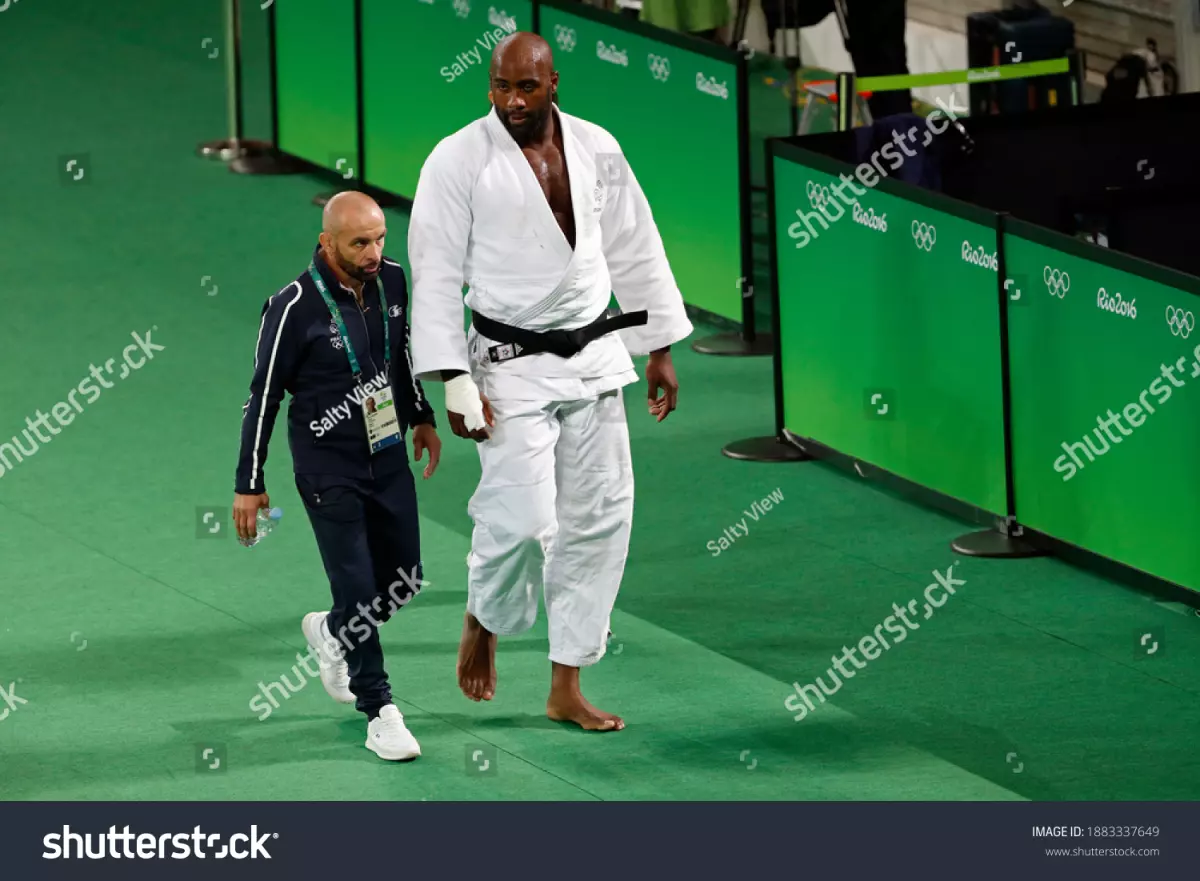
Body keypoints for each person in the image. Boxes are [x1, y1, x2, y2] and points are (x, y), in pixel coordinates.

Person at [408, 32, 692, 732]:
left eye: (526, 87)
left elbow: (635, 242)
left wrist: (655, 345)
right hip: (508, 364)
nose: (511, 100)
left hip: (594, 353)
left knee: (599, 516)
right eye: (501, 86)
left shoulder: (597, 146)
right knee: (523, 516)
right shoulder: (457, 160)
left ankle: (566, 682)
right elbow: (437, 273)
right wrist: (452, 380)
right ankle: (484, 615)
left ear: (553, 82)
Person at [232, 191, 441, 761]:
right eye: (359, 243)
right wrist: (249, 482)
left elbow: (401, 356)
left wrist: (421, 415)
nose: (374, 252)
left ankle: (332, 631)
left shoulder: (393, 281)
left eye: (379, 239)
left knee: (404, 580)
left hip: (388, 447)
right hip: (328, 463)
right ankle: (380, 710)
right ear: (327, 243)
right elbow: (263, 396)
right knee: (355, 583)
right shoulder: (292, 307)